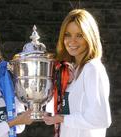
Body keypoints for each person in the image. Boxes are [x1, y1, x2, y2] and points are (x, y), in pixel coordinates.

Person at [43, 9, 111, 137]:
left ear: (90, 37)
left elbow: (101, 118)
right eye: (67, 34)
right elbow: (72, 110)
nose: (72, 41)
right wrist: (51, 112)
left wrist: (62, 119)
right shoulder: (74, 70)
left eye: (79, 35)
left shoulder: (92, 69)